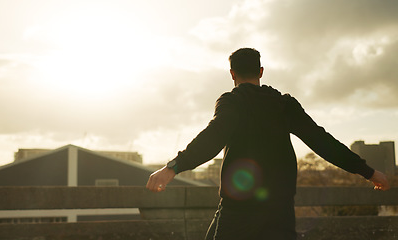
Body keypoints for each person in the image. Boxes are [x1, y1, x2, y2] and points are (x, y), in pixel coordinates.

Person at [146, 48, 390, 240]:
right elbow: (322, 141)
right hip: (279, 207)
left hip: (240, 208)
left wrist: (173, 167)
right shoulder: (284, 105)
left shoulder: (233, 102)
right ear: (261, 71)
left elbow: (212, 137)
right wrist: (368, 172)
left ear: (232, 74)